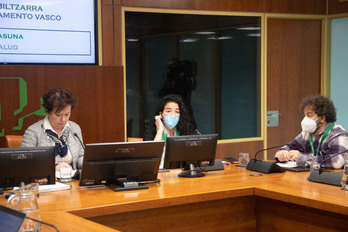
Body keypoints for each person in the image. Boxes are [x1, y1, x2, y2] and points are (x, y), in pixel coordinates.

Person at [275, 95, 348, 168]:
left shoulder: (337, 134)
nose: (305, 119)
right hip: (308, 176)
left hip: (330, 178)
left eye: (309, 115)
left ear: (322, 118)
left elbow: (337, 161)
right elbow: (289, 147)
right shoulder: (306, 133)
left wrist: (302, 159)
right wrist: (281, 154)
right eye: (305, 115)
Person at [21, 88, 84, 171]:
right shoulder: (33, 132)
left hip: (71, 178)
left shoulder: (75, 128)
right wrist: (53, 168)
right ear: (47, 112)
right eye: (58, 115)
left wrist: (87, 165)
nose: (63, 119)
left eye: (67, 114)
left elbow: (80, 156)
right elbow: (25, 163)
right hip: (45, 179)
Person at [144, 94, 197, 169]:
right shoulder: (151, 132)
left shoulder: (183, 131)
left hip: (178, 172)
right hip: (158, 172)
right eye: (168, 111)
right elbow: (152, 156)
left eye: (177, 111)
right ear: (161, 114)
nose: (173, 115)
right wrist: (160, 130)